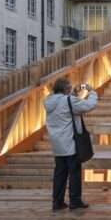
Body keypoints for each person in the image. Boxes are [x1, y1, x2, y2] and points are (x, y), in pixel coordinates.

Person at [44, 77, 98, 211]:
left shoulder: (48, 101)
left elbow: (66, 106)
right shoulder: (68, 100)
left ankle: (57, 202)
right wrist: (91, 92)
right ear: (66, 89)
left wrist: (74, 94)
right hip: (70, 143)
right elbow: (87, 106)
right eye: (69, 87)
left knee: (60, 174)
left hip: (57, 144)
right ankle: (75, 201)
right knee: (74, 173)